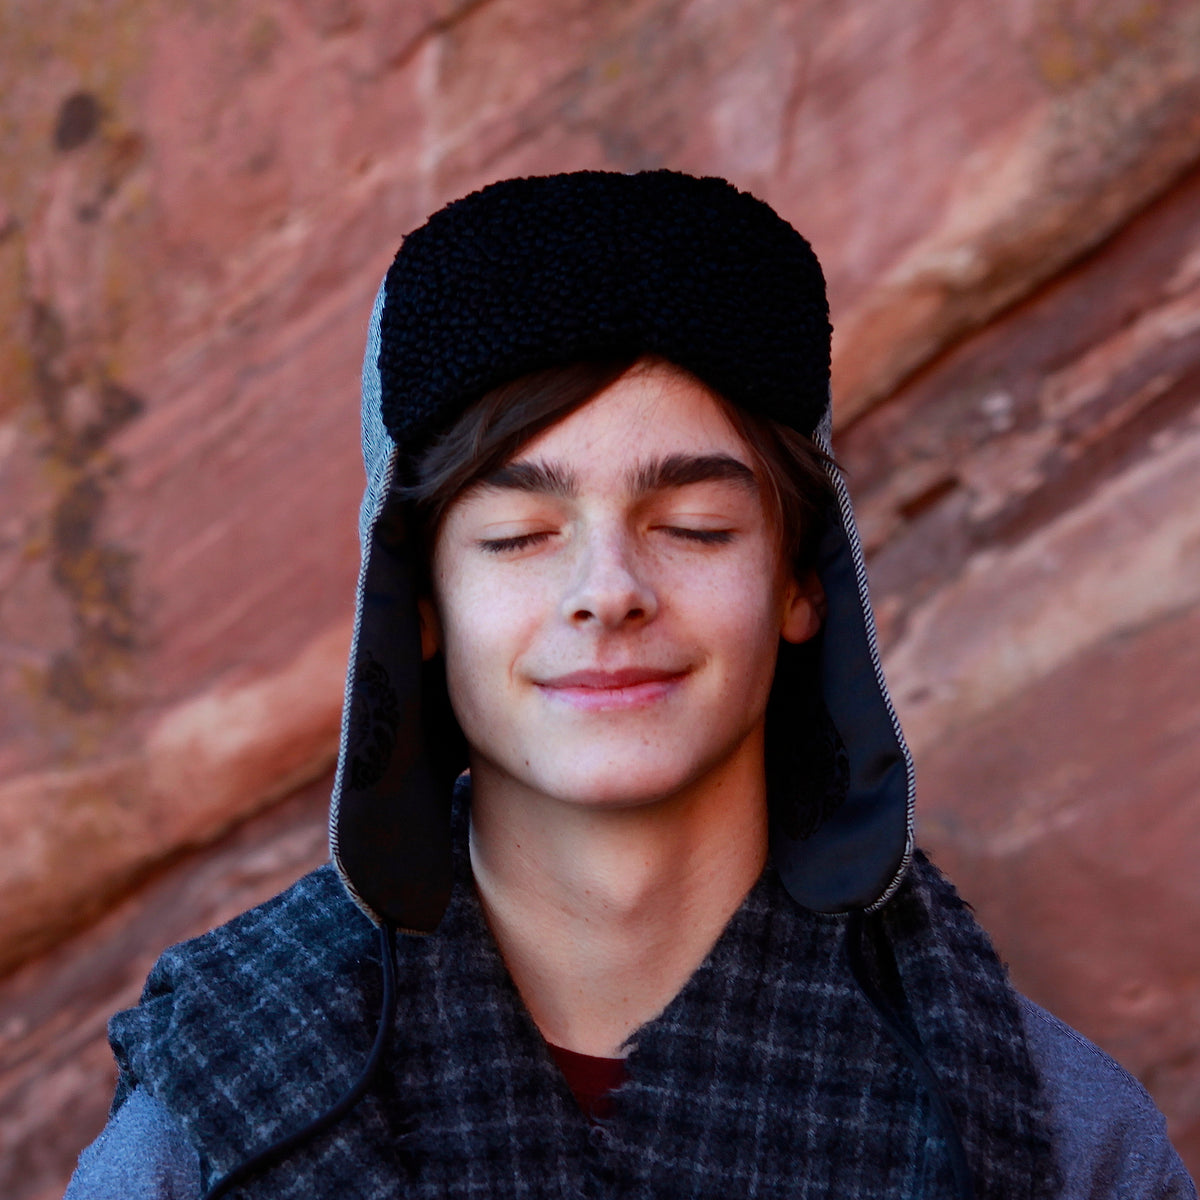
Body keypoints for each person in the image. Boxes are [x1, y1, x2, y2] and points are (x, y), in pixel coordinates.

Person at [65, 170, 1196, 1199]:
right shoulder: (217, 1129)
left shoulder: (1055, 1143)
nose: (609, 590)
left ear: (805, 582)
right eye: (517, 535)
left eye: (695, 527)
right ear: (418, 605)